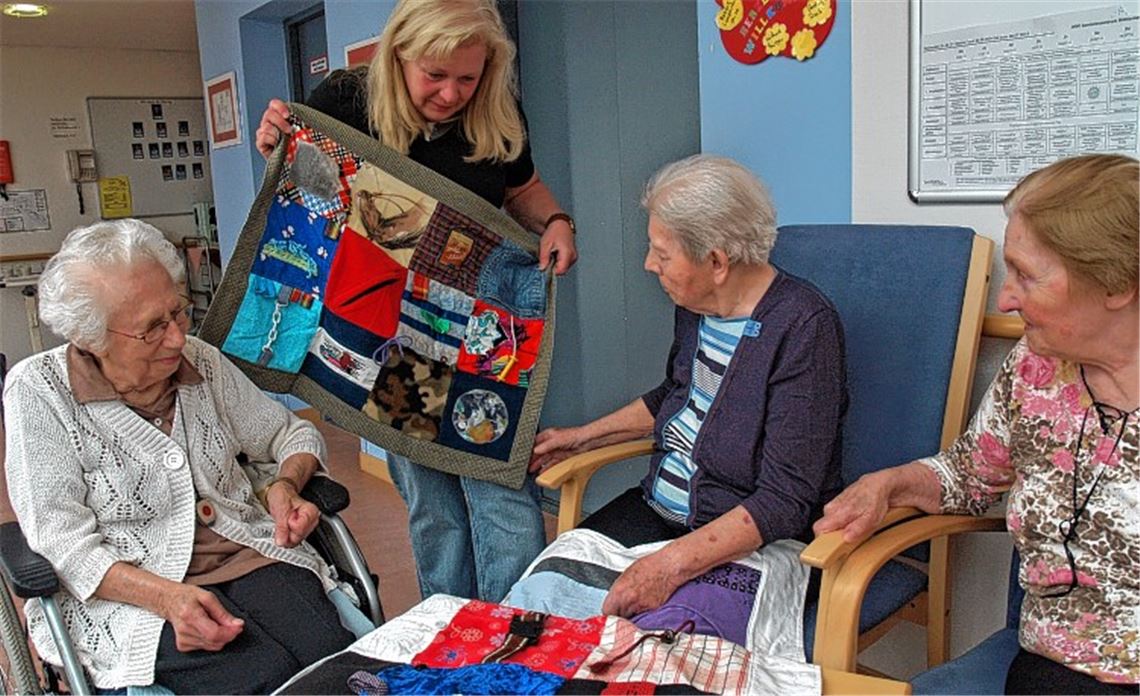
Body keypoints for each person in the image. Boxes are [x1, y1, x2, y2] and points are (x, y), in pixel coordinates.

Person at [255, 0, 578, 603]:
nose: (453, 94)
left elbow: (522, 187)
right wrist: (275, 137)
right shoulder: (349, 100)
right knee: (433, 502)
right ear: (399, 53)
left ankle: (518, 634)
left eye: (468, 77)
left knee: (501, 491)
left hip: (478, 331)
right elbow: (304, 173)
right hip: (392, 337)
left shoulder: (497, 110)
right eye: (436, 75)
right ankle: (451, 626)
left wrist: (556, 220)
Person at [814, 154, 1138, 693]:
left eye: (1028, 276)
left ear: (1118, 284)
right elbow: (968, 474)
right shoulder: (1036, 371)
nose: (1006, 298)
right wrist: (891, 483)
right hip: (1052, 667)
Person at [3, 219, 355, 693]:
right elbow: (62, 543)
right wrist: (167, 598)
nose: (176, 338)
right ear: (91, 338)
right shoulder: (39, 390)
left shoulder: (200, 360)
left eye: (178, 313)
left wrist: (285, 486)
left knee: (334, 660)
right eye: (152, 328)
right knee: (259, 675)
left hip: (249, 555)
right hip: (131, 592)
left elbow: (289, 434)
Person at [529, 154, 847, 617]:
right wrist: (581, 438)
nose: (648, 265)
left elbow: (785, 501)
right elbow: (674, 397)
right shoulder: (699, 306)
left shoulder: (803, 328)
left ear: (716, 261)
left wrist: (666, 567)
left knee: (639, 647)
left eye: (662, 253)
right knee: (536, 601)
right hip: (656, 513)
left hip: (751, 543)